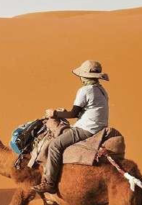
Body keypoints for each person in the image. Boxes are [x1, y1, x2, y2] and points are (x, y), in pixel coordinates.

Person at [32, 60, 111, 194]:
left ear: (84, 76)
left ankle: (50, 183)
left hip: (87, 128)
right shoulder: (101, 90)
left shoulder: (84, 90)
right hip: (99, 127)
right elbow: (89, 109)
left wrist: (54, 113)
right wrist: (64, 112)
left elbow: (73, 113)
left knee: (54, 145)